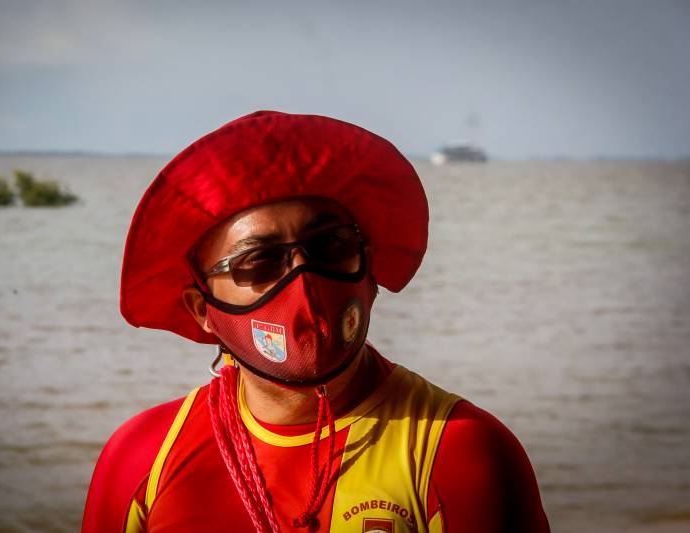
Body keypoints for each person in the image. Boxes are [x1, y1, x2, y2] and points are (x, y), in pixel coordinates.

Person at [81, 111, 550, 533]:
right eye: (259, 261)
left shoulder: (460, 449)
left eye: (330, 246)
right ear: (203, 310)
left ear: (369, 269)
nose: (303, 279)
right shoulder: (144, 457)